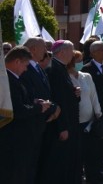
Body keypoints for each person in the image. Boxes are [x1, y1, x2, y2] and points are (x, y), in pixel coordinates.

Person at [0, 46, 52, 184]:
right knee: (15, 175)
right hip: (13, 139)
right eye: (25, 65)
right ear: (17, 61)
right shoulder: (7, 80)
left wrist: (34, 101)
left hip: (19, 138)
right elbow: (17, 110)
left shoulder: (12, 78)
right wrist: (39, 107)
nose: (26, 69)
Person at [21, 37, 60, 184]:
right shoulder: (24, 69)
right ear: (33, 49)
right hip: (31, 126)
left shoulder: (38, 67)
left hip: (42, 124)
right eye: (44, 47)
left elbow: (45, 94)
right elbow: (31, 96)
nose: (46, 50)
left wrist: (55, 107)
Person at [42, 40, 82, 184]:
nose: (73, 54)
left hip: (69, 122)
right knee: (59, 163)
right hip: (62, 125)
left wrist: (74, 93)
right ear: (62, 52)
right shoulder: (54, 69)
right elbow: (57, 99)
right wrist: (62, 127)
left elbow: (65, 95)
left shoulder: (61, 68)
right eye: (71, 50)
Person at [67, 50, 102, 184]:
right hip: (76, 122)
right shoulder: (65, 76)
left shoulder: (86, 76)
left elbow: (93, 95)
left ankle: (91, 176)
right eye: (78, 60)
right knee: (77, 154)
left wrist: (98, 112)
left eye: (81, 60)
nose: (80, 63)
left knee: (91, 152)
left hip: (90, 121)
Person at [81, 41, 103, 183]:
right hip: (95, 112)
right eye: (101, 50)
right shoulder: (87, 69)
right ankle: (92, 174)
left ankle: (99, 168)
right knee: (93, 145)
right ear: (93, 52)